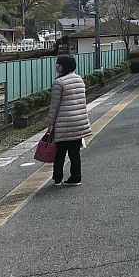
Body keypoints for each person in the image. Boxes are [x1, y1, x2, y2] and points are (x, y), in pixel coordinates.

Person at [48, 54, 91, 186]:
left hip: (64, 123)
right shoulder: (79, 79)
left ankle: (57, 178)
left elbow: (54, 106)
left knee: (59, 152)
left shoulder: (59, 82)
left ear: (64, 66)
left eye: (58, 63)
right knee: (74, 152)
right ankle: (76, 178)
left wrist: (50, 124)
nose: (56, 66)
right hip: (79, 122)